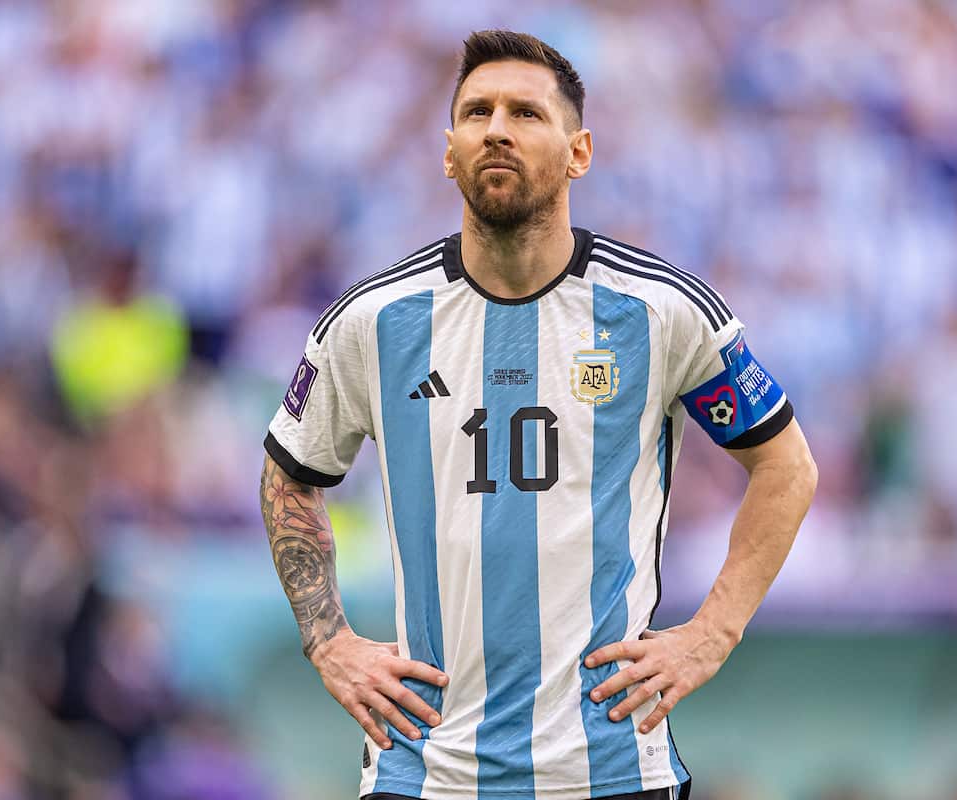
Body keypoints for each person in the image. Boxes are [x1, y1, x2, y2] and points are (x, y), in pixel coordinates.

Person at [260, 29, 817, 800]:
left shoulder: (660, 312)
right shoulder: (373, 321)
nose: (496, 128)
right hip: (424, 771)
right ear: (449, 150)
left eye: (525, 113)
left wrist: (712, 633)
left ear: (579, 152)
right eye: (476, 112)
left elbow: (786, 466)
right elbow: (290, 476)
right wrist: (329, 643)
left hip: (612, 768)